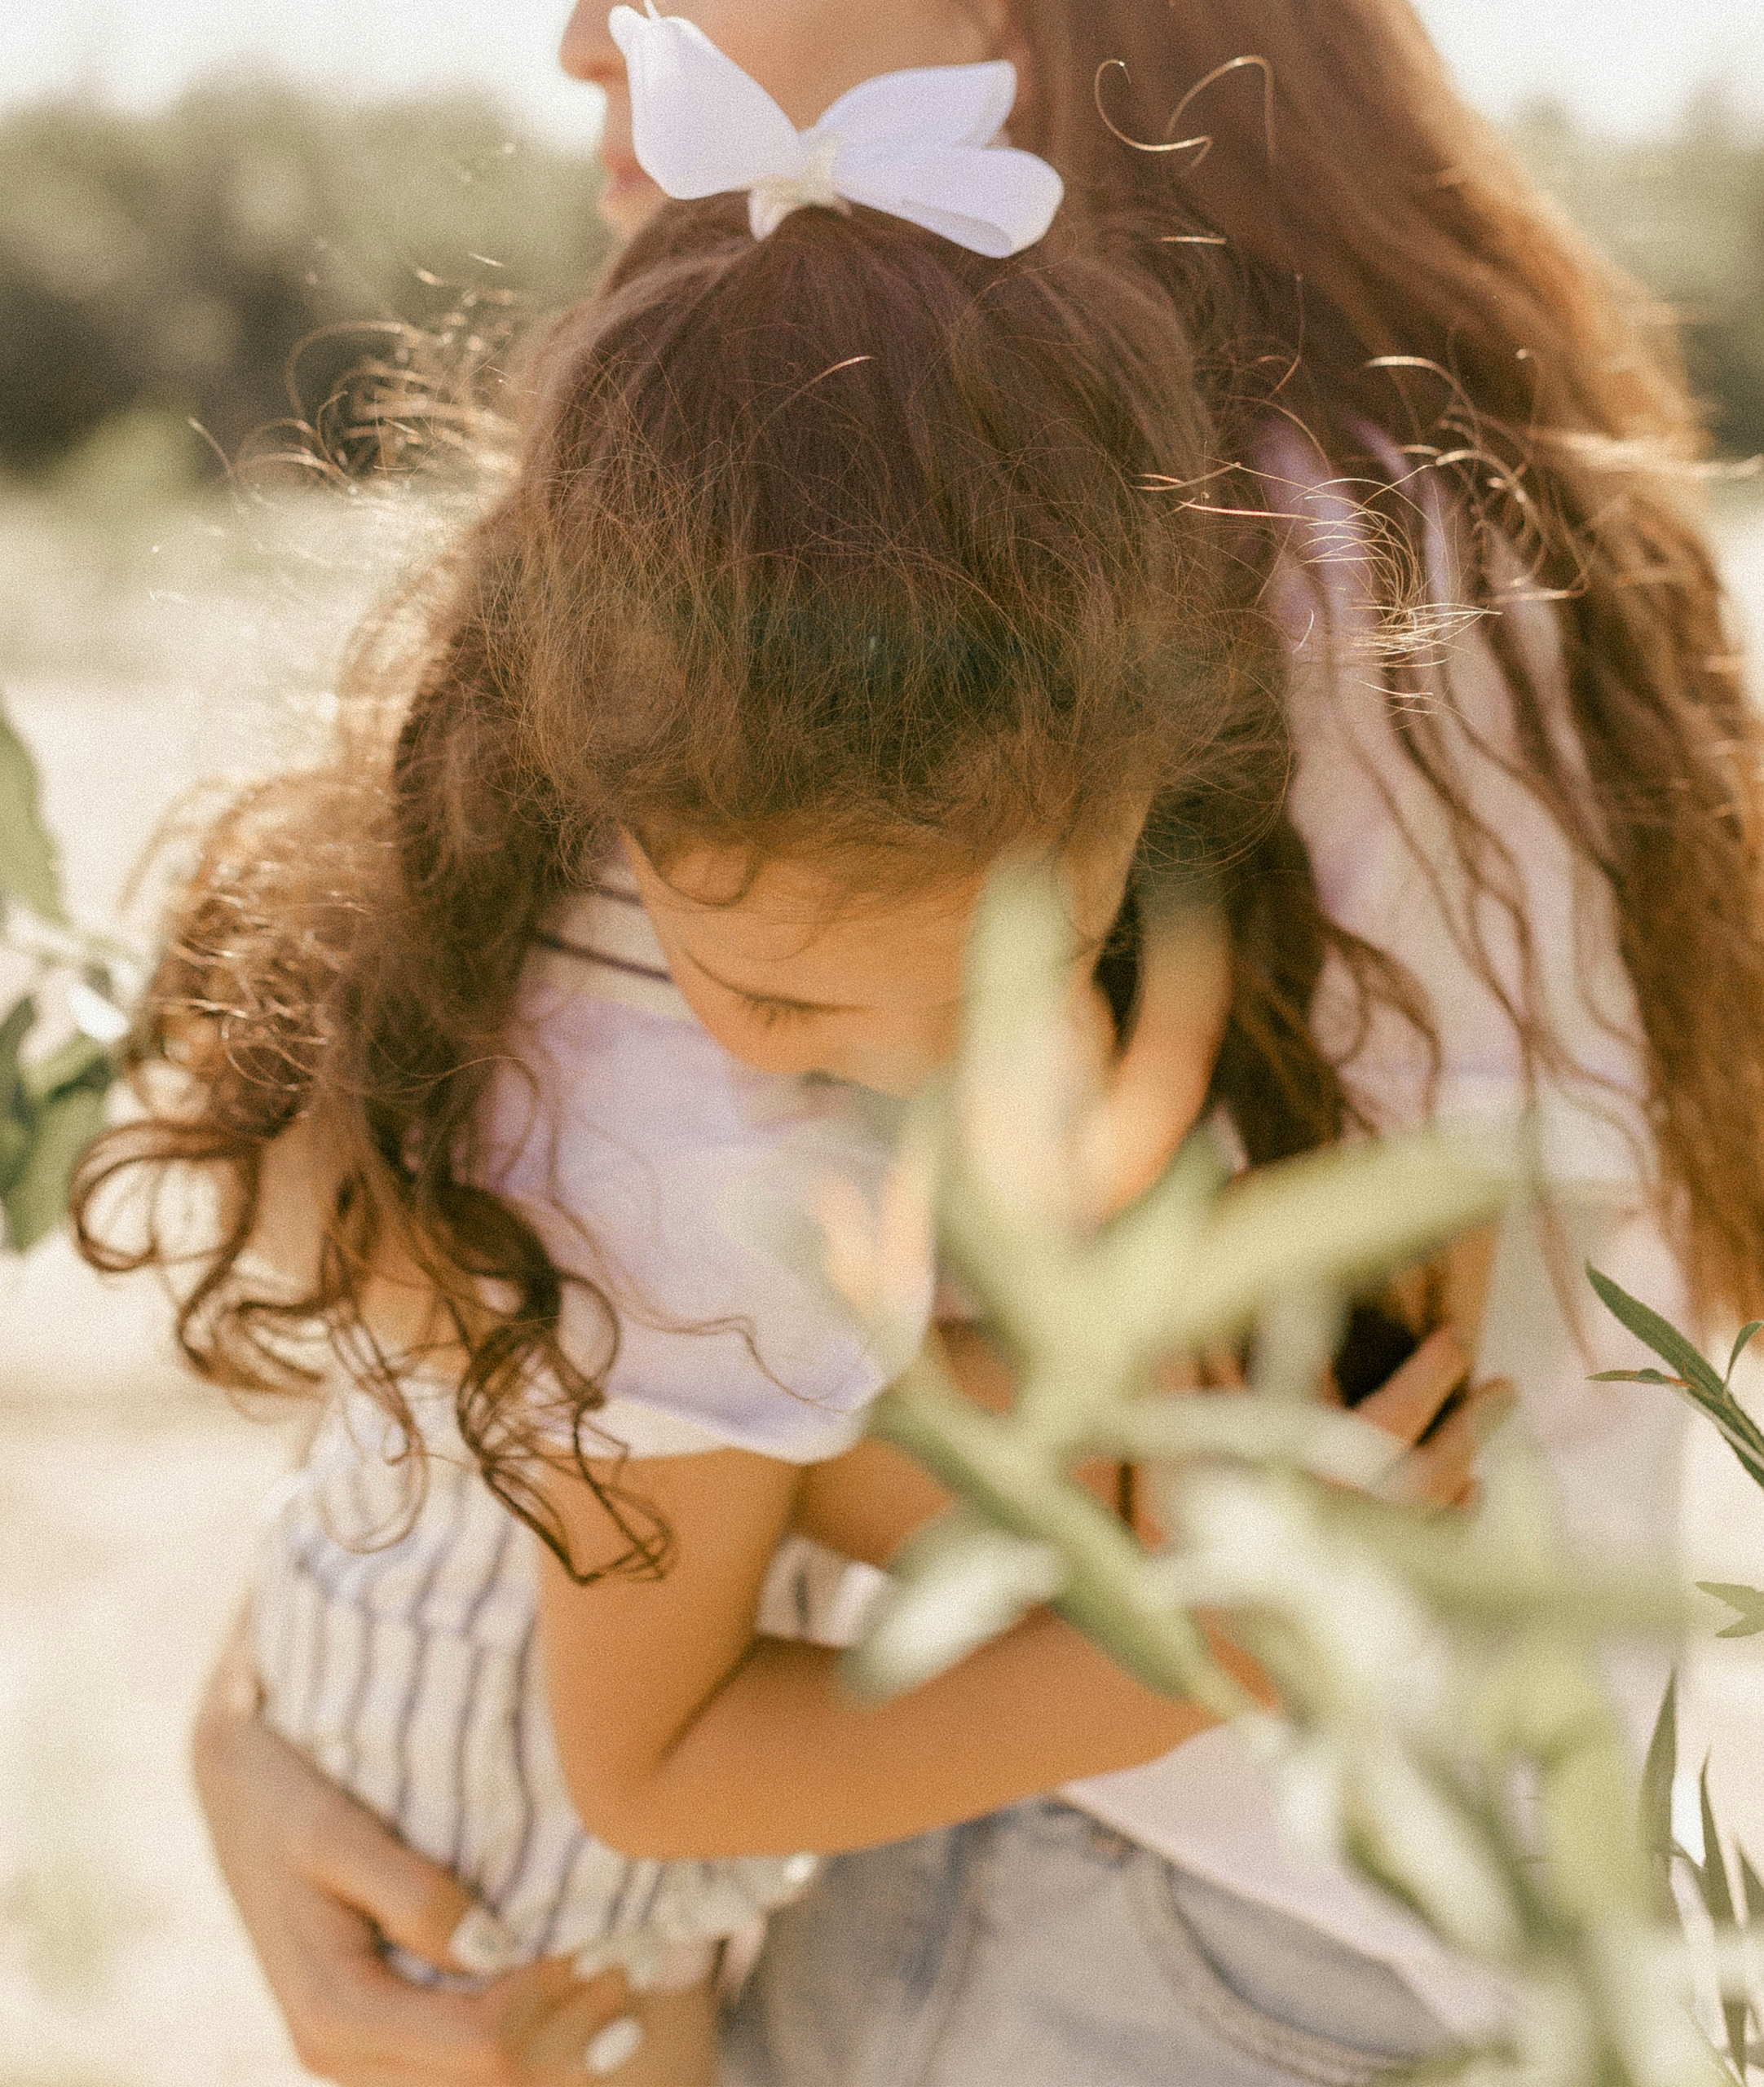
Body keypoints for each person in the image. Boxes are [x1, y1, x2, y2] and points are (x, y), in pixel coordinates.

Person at [120, 2, 1764, 2081]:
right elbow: (595, 1325)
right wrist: (295, 1702)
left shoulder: (1263, 549)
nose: (575, 42)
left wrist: (561, 1465)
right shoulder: (943, 518)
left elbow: (1332, 1456)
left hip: (1162, 1897)